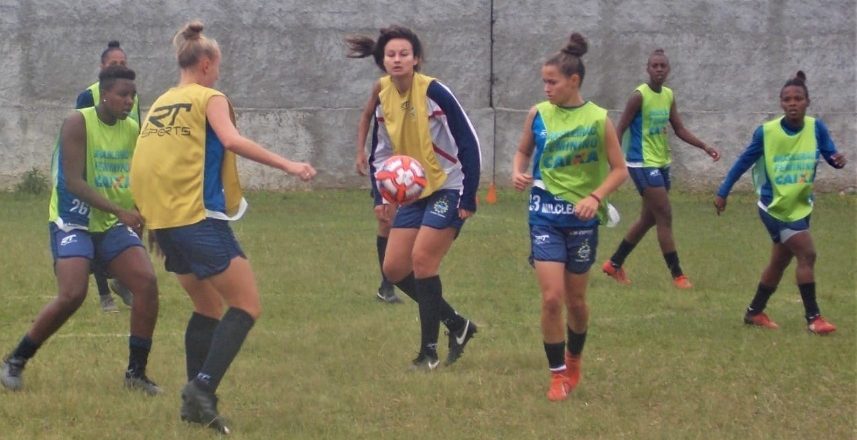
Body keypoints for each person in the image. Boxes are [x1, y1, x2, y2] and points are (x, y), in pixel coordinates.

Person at [130, 21, 316, 434]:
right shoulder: (210, 96)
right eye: (218, 66)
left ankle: (196, 404)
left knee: (207, 307)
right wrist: (289, 164)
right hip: (198, 219)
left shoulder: (162, 102)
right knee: (246, 306)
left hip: (164, 223)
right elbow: (231, 141)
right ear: (207, 63)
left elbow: (143, 161)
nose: (218, 73)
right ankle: (201, 388)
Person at [0, 65, 161, 395]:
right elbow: (73, 182)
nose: (130, 101)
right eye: (123, 95)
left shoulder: (132, 130)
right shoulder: (78, 122)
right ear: (104, 95)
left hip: (109, 223)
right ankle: (16, 360)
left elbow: (139, 179)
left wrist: (149, 216)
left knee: (146, 283)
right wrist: (120, 210)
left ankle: (136, 374)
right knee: (73, 294)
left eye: (133, 95)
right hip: (73, 218)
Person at [346, 25, 481, 370]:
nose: (397, 59)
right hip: (414, 193)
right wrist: (380, 194)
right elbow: (381, 151)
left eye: (404, 53)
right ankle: (457, 324)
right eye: (391, 54)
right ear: (382, 61)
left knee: (422, 262)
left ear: (416, 58)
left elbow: (469, 141)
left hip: (448, 187)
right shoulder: (382, 93)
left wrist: (469, 195)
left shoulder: (434, 92)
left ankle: (428, 354)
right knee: (393, 269)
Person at [512, 33, 628, 401]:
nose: (545, 88)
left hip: (580, 221)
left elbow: (619, 169)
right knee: (551, 298)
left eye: (552, 82)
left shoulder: (598, 119)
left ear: (573, 81)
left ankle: (574, 359)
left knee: (576, 302)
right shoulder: (538, 114)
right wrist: (517, 171)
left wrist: (596, 196)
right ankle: (556, 375)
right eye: (543, 81)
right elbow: (522, 151)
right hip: (544, 214)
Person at [714, 70, 846, 334]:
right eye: (787, 99)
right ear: (781, 103)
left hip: (800, 204)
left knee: (779, 262)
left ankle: (754, 312)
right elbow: (743, 161)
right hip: (774, 207)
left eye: (798, 98)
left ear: (807, 102)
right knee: (807, 254)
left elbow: (830, 154)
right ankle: (814, 318)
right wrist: (723, 191)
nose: (793, 103)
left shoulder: (816, 127)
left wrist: (836, 161)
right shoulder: (766, 132)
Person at [601, 49, 720, 289]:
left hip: (661, 162)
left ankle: (614, 264)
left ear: (668, 70)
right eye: (654, 65)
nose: (658, 69)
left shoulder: (668, 95)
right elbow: (620, 127)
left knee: (648, 219)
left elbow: (679, 129)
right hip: (641, 163)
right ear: (647, 69)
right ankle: (678, 275)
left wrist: (704, 146)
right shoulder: (639, 96)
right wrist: (613, 161)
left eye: (662, 66)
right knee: (664, 214)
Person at [76, 40, 138, 312]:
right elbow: (80, 133)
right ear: (102, 68)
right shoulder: (88, 96)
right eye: (114, 64)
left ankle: (123, 282)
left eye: (123, 63)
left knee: (125, 230)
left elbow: (134, 133)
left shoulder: (131, 96)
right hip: (96, 176)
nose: (119, 68)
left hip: (120, 176)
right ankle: (105, 296)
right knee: (97, 233)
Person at [354, 81, 401, 303]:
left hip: (413, 163)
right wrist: (360, 151)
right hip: (384, 163)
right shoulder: (380, 89)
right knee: (385, 218)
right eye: (391, 55)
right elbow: (365, 117)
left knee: (414, 221)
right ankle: (387, 285)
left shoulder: (424, 91)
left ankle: (414, 275)